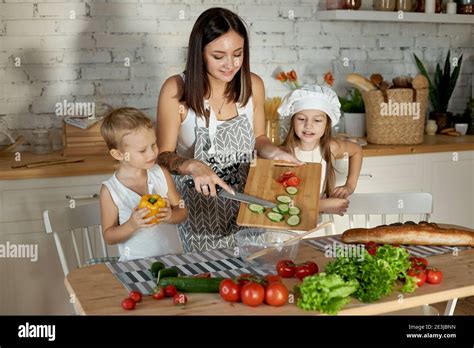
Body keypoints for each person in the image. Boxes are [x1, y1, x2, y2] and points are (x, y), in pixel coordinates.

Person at [156, 7, 302, 253]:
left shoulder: (252, 85)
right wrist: (192, 165)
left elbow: (258, 138)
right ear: (199, 53)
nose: (230, 65)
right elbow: (163, 156)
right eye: (218, 56)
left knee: (251, 278)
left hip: (247, 209)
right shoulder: (176, 90)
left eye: (237, 54)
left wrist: (274, 153)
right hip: (197, 214)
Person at [99, 107, 188, 261]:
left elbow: (182, 209)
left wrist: (170, 216)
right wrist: (132, 225)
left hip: (173, 261)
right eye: (142, 150)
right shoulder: (110, 191)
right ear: (118, 154)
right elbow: (109, 236)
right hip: (134, 265)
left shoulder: (161, 173)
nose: (152, 153)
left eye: (153, 145)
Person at [279, 84, 363, 217]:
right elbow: (280, 203)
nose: (308, 125)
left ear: (327, 123)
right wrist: (323, 205)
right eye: (301, 119)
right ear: (292, 120)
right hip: (287, 226)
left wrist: (350, 186)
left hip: (318, 224)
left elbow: (357, 150)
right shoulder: (282, 154)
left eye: (317, 120)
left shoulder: (331, 147)